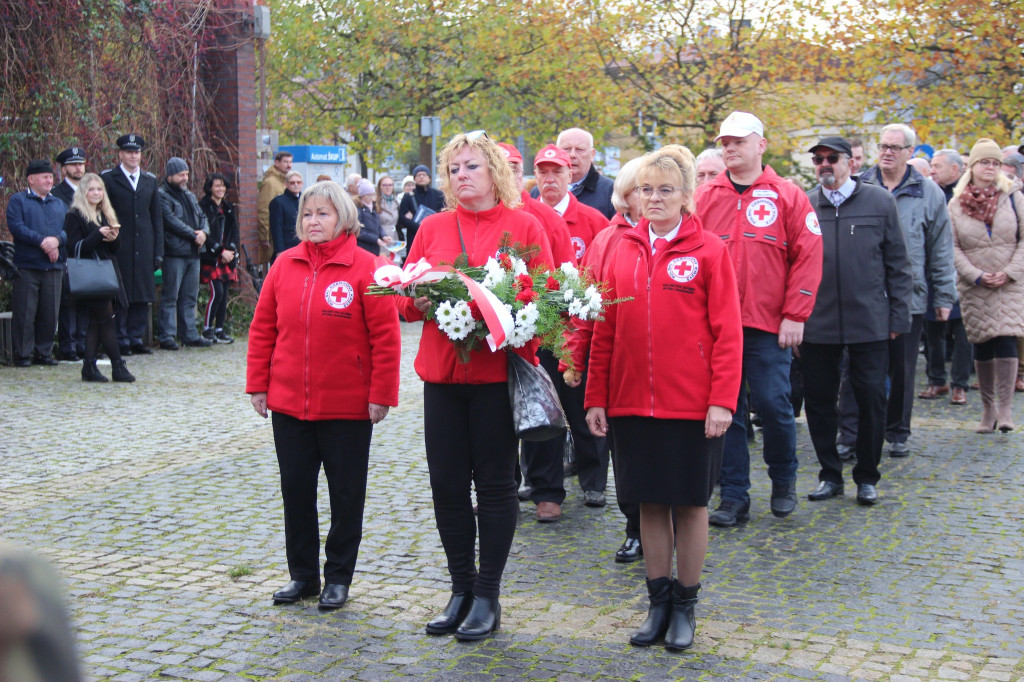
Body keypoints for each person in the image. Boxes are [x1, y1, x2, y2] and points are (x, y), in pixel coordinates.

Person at [585, 145, 742, 650]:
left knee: (691, 505)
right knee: (649, 504)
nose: (654, 199)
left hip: (692, 405)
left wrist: (722, 400)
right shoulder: (622, 249)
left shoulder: (710, 251)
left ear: (686, 196)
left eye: (665, 190)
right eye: (646, 190)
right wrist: (595, 397)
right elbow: (604, 331)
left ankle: (685, 605)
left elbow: (728, 332)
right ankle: (656, 602)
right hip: (631, 402)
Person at [398, 132, 554, 641]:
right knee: (446, 485)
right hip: (442, 377)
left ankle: (488, 594)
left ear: (495, 172)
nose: (461, 175)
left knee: (494, 486)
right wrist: (417, 299)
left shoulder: (524, 226)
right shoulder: (433, 227)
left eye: (471, 166)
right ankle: (460, 588)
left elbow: (546, 300)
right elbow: (402, 299)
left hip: (495, 380)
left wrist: (515, 323)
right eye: (454, 168)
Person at [247, 181, 401, 610]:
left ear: (344, 218)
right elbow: (263, 329)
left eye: (323, 213)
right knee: (296, 491)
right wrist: (258, 384)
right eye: (307, 214)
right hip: (289, 403)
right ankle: (303, 576)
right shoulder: (283, 264)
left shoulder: (368, 268)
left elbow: (386, 338)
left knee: (346, 495)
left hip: (347, 406)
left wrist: (381, 394)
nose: (313, 221)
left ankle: (338, 577)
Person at [695, 111, 823, 526]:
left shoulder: (788, 195)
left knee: (773, 404)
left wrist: (795, 314)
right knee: (726, 411)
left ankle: (783, 479)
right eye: (725, 143)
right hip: (717, 327)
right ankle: (733, 495)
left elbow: (808, 256)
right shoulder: (704, 197)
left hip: (768, 326)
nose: (730, 149)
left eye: (739, 142)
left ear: (761, 145)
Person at [800, 137, 912, 505]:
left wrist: (898, 316)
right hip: (818, 321)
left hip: (869, 319)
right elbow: (792, 264)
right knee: (819, 401)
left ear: (850, 162)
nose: (824, 164)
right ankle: (830, 474)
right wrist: (794, 316)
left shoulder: (879, 201)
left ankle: (867, 475)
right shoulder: (804, 204)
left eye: (832, 158)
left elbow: (898, 263)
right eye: (818, 159)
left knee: (871, 398)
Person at [847, 123, 957, 456]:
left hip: (908, 295)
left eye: (895, 147)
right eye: (883, 146)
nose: (887, 152)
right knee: (856, 368)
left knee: (902, 368)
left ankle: (896, 432)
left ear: (910, 152)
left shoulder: (929, 192)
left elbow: (940, 247)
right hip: (863, 295)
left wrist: (944, 296)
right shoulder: (859, 185)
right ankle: (850, 434)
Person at [562, 157, 645, 563]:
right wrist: (573, 357)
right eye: (642, 189)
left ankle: (671, 526)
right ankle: (636, 528)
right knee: (625, 454)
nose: (651, 197)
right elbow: (584, 306)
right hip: (618, 369)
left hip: (667, 371)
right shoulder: (607, 240)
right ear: (626, 196)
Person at [525, 144, 611, 522]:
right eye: (542, 172)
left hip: (578, 328)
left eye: (557, 171)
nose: (549, 179)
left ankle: (593, 479)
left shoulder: (592, 219)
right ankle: (538, 480)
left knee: (579, 404)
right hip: (539, 329)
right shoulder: (525, 215)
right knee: (539, 406)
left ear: (569, 174)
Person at [948, 138, 1024, 432]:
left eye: (995, 162)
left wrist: (1010, 272)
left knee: (1006, 339)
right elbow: (951, 246)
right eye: (984, 162)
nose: (990, 167)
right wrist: (975, 274)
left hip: (1010, 282)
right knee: (982, 342)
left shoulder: (1014, 197)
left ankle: (1005, 410)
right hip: (975, 284)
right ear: (973, 166)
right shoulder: (956, 204)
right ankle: (988, 409)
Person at [64, 173, 135, 382]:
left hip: (107, 272)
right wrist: (98, 234)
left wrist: (113, 238)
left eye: (99, 189)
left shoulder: (104, 213)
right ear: (83, 192)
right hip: (90, 275)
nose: (96, 193)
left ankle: (89, 366)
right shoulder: (75, 215)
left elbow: (114, 249)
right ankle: (117, 365)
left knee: (98, 322)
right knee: (105, 320)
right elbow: (75, 247)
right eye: (91, 189)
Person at [102, 133, 162, 356]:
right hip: (120, 246)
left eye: (136, 152)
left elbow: (156, 218)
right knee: (122, 294)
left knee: (142, 294)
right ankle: (121, 338)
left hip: (144, 246)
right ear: (120, 154)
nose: (133, 156)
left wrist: (158, 251)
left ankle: (136, 337)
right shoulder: (109, 179)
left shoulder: (149, 180)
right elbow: (103, 213)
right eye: (129, 152)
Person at [921, 149, 971, 405]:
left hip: (963, 271)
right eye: (931, 165)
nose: (932, 170)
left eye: (937, 166)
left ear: (955, 169)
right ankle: (936, 379)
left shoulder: (968, 195)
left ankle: (960, 384)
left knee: (963, 331)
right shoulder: (929, 193)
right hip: (933, 270)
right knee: (933, 330)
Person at [6, 159, 67, 367]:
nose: (49, 181)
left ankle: (44, 352)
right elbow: (17, 227)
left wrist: (57, 241)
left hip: (54, 266)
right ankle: (23, 354)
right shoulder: (18, 200)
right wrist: (43, 242)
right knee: (25, 312)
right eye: (45, 177)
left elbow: (68, 228)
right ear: (31, 179)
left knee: (49, 313)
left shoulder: (58, 203)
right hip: (27, 265)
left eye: (51, 177)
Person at [157, 157, 211, 350]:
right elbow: (170, 221)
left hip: (193, 252)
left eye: (187, 174)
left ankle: (189, 334)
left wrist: (204, 233)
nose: (185, 178)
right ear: (170, 175)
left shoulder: (189, 195)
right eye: (181, 174)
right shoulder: (162, 195)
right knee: (170, 296)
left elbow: (203, 216)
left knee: (190, 296)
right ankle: (167, 336)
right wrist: (194, 235)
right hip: (174, 252)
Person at [52, 147, 89, 361]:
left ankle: (83, 344)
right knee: (68, 303)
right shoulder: (57, 194)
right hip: (67, 253)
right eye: (73, 164)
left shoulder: (91, 190)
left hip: (88, 252)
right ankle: (68, 346)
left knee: (86, 300)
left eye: (81, 164)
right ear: (64, 168)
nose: (78, 168)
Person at [198, 172, 239, 344]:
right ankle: (207, 329)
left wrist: (231, 250)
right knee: (217, 293)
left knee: (224, 294)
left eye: (223, 186)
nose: (221, 189)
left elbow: (234, 231)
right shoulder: (203, 207)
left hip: (227, 257)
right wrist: (220, 251)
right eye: (217, 185)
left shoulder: (228, 207)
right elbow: (205, 233)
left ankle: (219, 329)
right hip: (211, 256)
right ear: (210, 188)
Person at [555, 127, 616, 219]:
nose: (572, 155)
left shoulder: (611, 192)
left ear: (592, 154)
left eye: (579, 150)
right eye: (566, 149)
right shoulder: (540, 191)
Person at [397, 164, 444, 251]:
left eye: (424, 175)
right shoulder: (408, 197)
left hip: (434, 237)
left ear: (429, 178)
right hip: (414, 238)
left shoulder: (438, 195)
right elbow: (402, 218)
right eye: (418, 175)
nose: (421, 177)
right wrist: (419, 227)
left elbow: (443, 213)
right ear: (414, 179)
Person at [256, 151, 292, 263]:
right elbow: (264, 209)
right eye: (285, 162)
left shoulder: (284, 181)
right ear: (277, 163)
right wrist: (264, 236)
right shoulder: (270, 183)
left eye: (290, 162)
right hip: (273, 237)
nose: (289, 165)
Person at [270, 172, 303, 256]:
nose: (296, 185)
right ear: (286, 184)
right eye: (292, 183)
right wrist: (279, 250)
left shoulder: (305, 200)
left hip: (302, 245)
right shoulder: (278, 202)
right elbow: (276, 229)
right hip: (287, 247)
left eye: (298, 182)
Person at [355, 179, 389, 255]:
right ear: (362, 196)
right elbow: (358, 231)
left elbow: (378, 226)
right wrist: (375, 239)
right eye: (369, 195)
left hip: (374, 248)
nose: (372, 197)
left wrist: (383, 236)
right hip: (363, 247)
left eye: (373, 194)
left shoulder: (374, 207)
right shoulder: (358, 209)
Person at [375, 175, 400, 248]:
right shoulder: (376, 203)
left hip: (394, 236)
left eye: (390, 185)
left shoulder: (395, 202)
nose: (388, 187)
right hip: (382, 237)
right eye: (385, 185)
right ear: (380, 187)